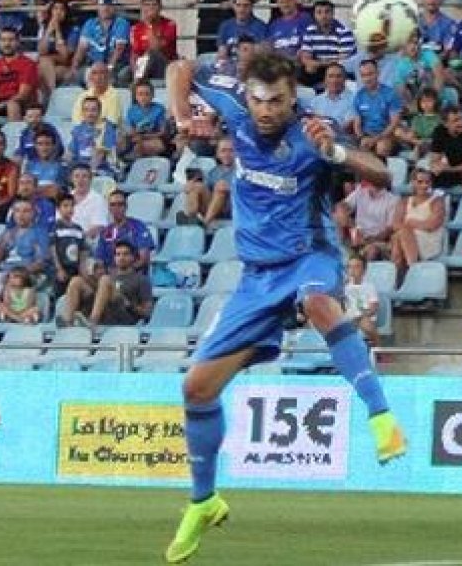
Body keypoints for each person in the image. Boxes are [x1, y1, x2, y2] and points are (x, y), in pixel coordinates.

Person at [163, 52, 406, 563]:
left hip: (308, 257)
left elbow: (381, 173)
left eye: (276, 101)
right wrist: (181, 112)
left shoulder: (314, 131)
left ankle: (382, 417)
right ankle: (203, 502)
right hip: (256, 278)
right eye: (258, 100)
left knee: (319, 302)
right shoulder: (233, 105)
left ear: (293, 98)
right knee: (196, 388)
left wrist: (335, 152)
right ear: (246, 94)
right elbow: (180, 67)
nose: (266, 109)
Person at [390, 168, 446, 274]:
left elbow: (433, 225)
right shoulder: (404, 201)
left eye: (427, 182)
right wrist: (411, 226)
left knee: (400, 235)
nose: (424, 185)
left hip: (428, 240)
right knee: (399, 236)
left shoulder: (437, 201)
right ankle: (407, 271)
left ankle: (409, 271)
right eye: (420, 182)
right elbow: (395, 224)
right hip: (406, 239)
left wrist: (411, 222)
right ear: (413, 182)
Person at [343, 255, 380, 348]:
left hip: (364, 316)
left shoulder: (369, 287)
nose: (352, 270)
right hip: (348, 317)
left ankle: (378, 350)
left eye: (357, 267)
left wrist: (361, 315)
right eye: (350, 267)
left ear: (364, 270)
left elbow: (374, 307)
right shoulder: (343, 287)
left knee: (366, 324)